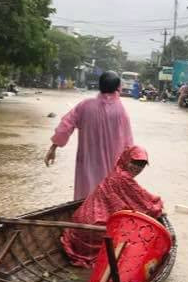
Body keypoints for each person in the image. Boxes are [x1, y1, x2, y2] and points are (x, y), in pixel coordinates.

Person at [61, 146, 164, 266]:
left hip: (79, 224)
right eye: (135, 163)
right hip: (95, 229)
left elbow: (140, 197)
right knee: (135, 233)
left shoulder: (116, 171)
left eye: (141, 165)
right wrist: (159, 206)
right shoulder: (125, 179)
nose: (137, 168)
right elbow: (147, 205)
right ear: (126, 159)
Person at [44, 71, 134, 199]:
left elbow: (65, 127)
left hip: (87, 164)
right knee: (108, 200)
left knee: (84, 198)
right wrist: (129, 170)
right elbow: (128, 144)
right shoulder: (121, 111)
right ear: (118, 88)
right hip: (111, 168)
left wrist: (53, 148)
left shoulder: (85, 106)